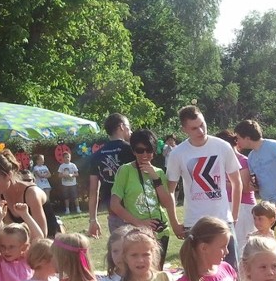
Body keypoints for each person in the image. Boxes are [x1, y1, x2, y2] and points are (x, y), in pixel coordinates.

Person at [166, 106, 242, 269]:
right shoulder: (177, 153)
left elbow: (237, 182)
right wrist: (174, 222)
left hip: (223, 220)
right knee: (197, 273)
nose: (200, 130)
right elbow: (170, 190)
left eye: (202, 124)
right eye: (194, 128)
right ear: (184, 129)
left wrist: (234, 215)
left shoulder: (222, 146)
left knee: (231, 272)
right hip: (194, 222)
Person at [108, 129, 176, 268]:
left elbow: (167, 203)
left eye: (149, 150)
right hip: (136, 233)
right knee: (139, 275)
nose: (145, 154)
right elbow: (115, 205)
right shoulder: (125, 170)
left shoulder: (159, 172)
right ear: (133, 151)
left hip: (160, 231)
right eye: (140, 150)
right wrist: (139, 223)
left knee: (157, 275)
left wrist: (155, 178)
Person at [0, 150, 59, 238]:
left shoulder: (31, 193)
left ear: (8, 175)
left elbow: (42, 235)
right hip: (25, 242)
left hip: (50, 242)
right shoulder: (1, 194)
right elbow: (10, 228)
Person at [88, 113, 134, 238]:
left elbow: (93, 191)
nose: (131, 131)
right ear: (121, 126)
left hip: (113, 213)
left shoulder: (97, 155)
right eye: (129, 127)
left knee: (119, 252)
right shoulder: (131, 150)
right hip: (135, 211)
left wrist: (93, 219)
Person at [215, 129, 257, 249]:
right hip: (225, 203)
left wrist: (223, 183)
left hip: (244, 205)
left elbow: (244, 187)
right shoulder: (219, 161)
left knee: (244, 243)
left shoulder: (242, 160)